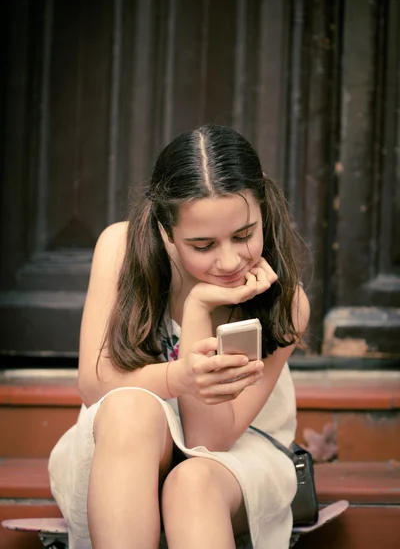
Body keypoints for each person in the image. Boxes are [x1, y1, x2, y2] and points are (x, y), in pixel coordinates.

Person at [49, 124, 310, 549]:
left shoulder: (285, 300)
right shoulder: (120, 249)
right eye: (203, 245)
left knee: (190, 483)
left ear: (263, 209)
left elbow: (208, 441)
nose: (229, 261)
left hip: (232, 458)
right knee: (131, 408)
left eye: (244, 235)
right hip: (122, 447)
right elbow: (94, 384)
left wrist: (200, 310)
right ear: (166, 231)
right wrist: (181, 375)